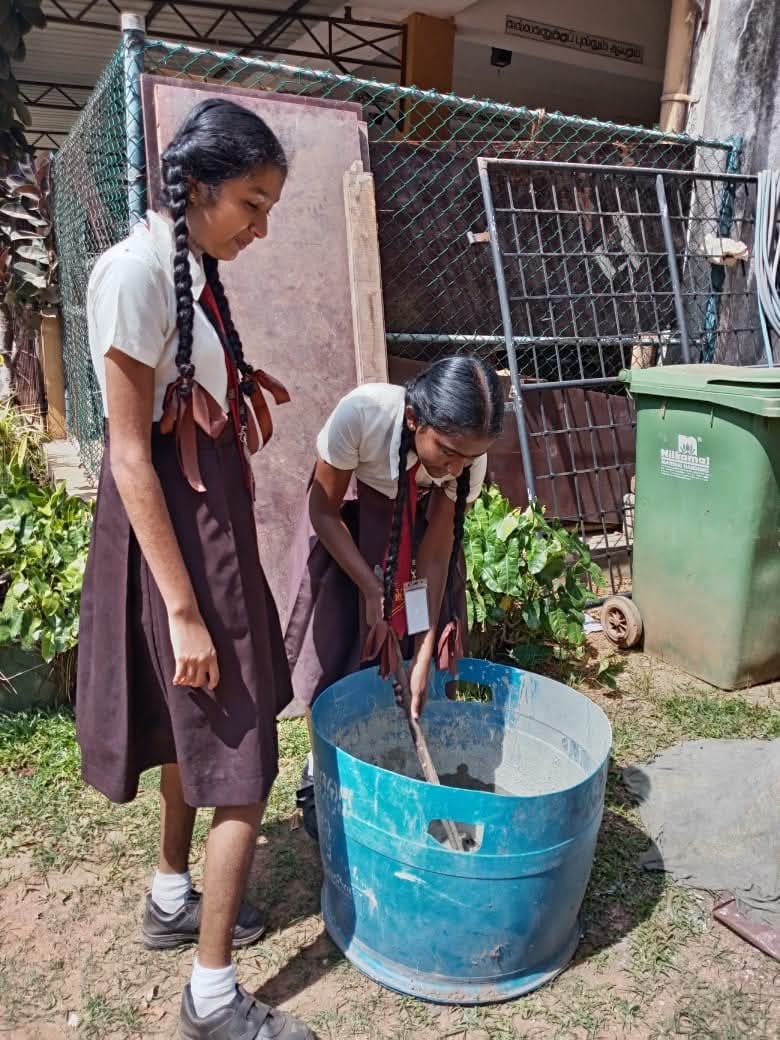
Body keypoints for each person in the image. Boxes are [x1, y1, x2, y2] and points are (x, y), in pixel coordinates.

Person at [76, 98, 314, 1040]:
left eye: (268, 211)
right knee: (242, 753)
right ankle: (212, 999)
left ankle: (173, 898)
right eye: (250, 205)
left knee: (198, 731)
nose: (259, 229)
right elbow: (129, 455)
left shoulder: (190, 266)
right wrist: (182, 609)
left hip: (205, 516)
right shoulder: (136, 271)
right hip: (176, 532)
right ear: (199, 187)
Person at [284, 357, 504, 838]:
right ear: (414, 420)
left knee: (405, 652)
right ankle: (318, 771)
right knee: (341, 654)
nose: (457, 466)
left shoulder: (466, 458)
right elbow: (322, 509)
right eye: (447, 452)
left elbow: (436, 552)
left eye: (468, 458)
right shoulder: (361, 415)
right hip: (348, 533)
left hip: (416, 541)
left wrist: (423, 652)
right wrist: (368, 587)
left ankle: (388, 768)